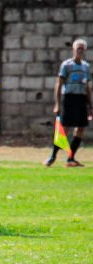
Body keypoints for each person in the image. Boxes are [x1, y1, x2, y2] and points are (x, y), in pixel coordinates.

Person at [44, 38, 92, 168]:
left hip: (81, 99)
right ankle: (52, 156)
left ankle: (71, 158)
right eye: (78, 48)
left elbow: (88, 86)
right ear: (73, 49)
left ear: (85, 50)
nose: (80, 51)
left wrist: (90, 105)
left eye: (82, 48)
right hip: (69, 98)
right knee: (63, 129)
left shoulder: (86, 67)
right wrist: (57, 103)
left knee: (80, 129)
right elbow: (59, 84)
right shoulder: (66, 65)